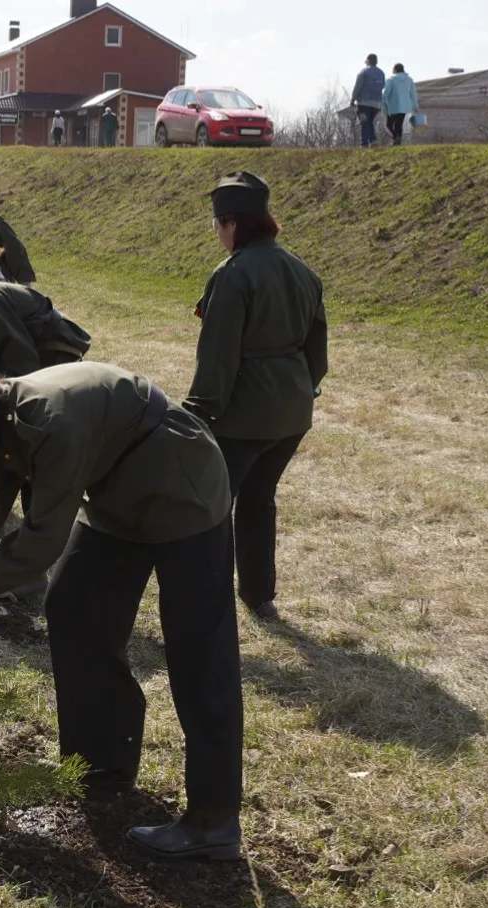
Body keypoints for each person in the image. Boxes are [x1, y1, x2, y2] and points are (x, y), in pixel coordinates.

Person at [0, 336, 244, 859]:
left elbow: (40, 542)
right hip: (118, 497)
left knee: (199, 652)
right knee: (74, 612)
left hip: (183, 487)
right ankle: (100, 764)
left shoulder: (49, 422)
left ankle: (212, 822)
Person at [186, 172, 327, 621]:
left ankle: (208, 598)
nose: (217, 236)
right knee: (259, 498)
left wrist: (200, 412)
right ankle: (259, 594)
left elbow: (219, 353)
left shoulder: (232, 274)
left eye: (217, 226)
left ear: (231, 224)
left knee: (212, 505)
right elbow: (317, 348)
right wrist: (304, 388)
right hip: (293, 411)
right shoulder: (302, 269)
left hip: (243, 415)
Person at [351, 54, 385, 148]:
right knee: (370, 122)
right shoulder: (381, 73)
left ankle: (365, 142)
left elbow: (357, 87)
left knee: (364, 121)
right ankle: (373, 140)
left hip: (364, 101)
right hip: (376, 103)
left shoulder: (363, 72)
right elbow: (382, 86)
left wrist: (353, 99)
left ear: (368, 61)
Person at [382, 63, 418, 145]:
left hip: (392, 107)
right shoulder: (409, 80)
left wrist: (383, 103)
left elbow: (386, 93)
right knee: (399, 125)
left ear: (395, 69)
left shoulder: (390, 80)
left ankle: (395, 137)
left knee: (389, 125)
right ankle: (398, 143)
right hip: (404, 107)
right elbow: (413, 94)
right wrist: (415, 105)